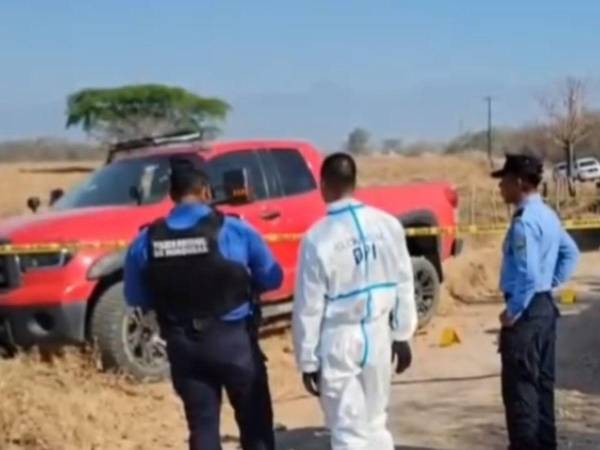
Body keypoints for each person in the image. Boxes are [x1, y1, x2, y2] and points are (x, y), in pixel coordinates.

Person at [124, 156, 283, 450]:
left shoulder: (146, 241)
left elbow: (136, 298)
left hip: (184, 346)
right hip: (234, 343)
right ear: (207, 192)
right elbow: (273, 279)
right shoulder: (236, 230)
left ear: (171, 196)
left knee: (202, 427)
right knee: (255, 423)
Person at [292, 152, 417, 450]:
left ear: (323, 185)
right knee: (375, 421)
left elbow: (309, 307)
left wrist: (308, 360)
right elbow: (404, 282)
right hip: (378, 335)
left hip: (340, 339)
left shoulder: (317, 238)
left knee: (348, 432)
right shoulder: (388, 226)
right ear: (354, 182)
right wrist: (402, 334)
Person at [493, 153, 579, 450]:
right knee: (542, 391)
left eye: (503, 181)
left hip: (527, 313)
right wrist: (549, 282)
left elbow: (528, 275)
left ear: (518, 182)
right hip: (544, 307)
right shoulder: (548, 214)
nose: (500, 187)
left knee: (521, 396)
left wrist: (513, 311)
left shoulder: (524, 223)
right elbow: (570, 253)